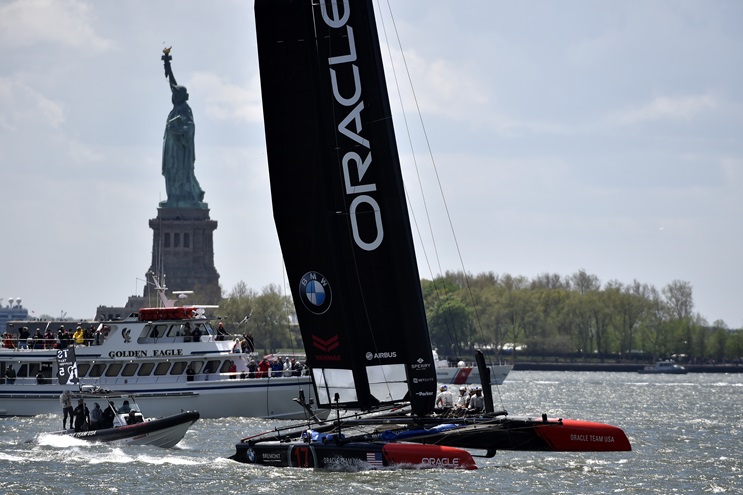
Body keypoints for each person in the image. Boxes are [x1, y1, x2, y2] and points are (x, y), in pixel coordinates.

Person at [160, 47, 205, 208]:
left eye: (175, 94)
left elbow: (190, 127)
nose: (172, 95)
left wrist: (179, 130)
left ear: (180, 96)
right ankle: (173, 198)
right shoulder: (177, 107)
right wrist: (167, 66)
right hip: (171, 149)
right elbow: (173, 85)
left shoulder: (184, 109)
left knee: (178, 172)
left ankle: (182, 197)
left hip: (180, 151)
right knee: (171, 172)